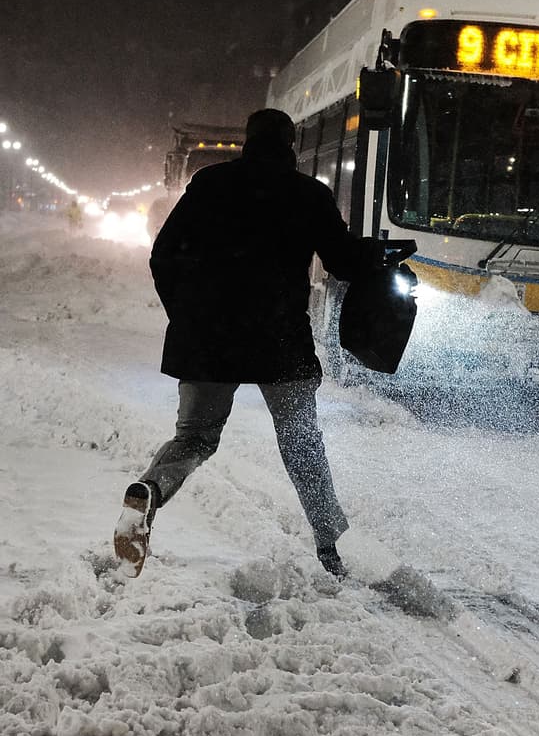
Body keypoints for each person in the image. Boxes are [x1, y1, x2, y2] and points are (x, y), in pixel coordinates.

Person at [114, 108, 384, 580]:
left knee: (195, 437)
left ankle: (150, 491)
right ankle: (332, 545)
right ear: (291, 145)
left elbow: (162, 255)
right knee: (302, 443)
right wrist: (375, 254)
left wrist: (188, 316)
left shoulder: (208, 184)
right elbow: (344, 263)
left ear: (247, 141)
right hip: (279, 340)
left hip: (208, 341)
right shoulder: (307, 194)